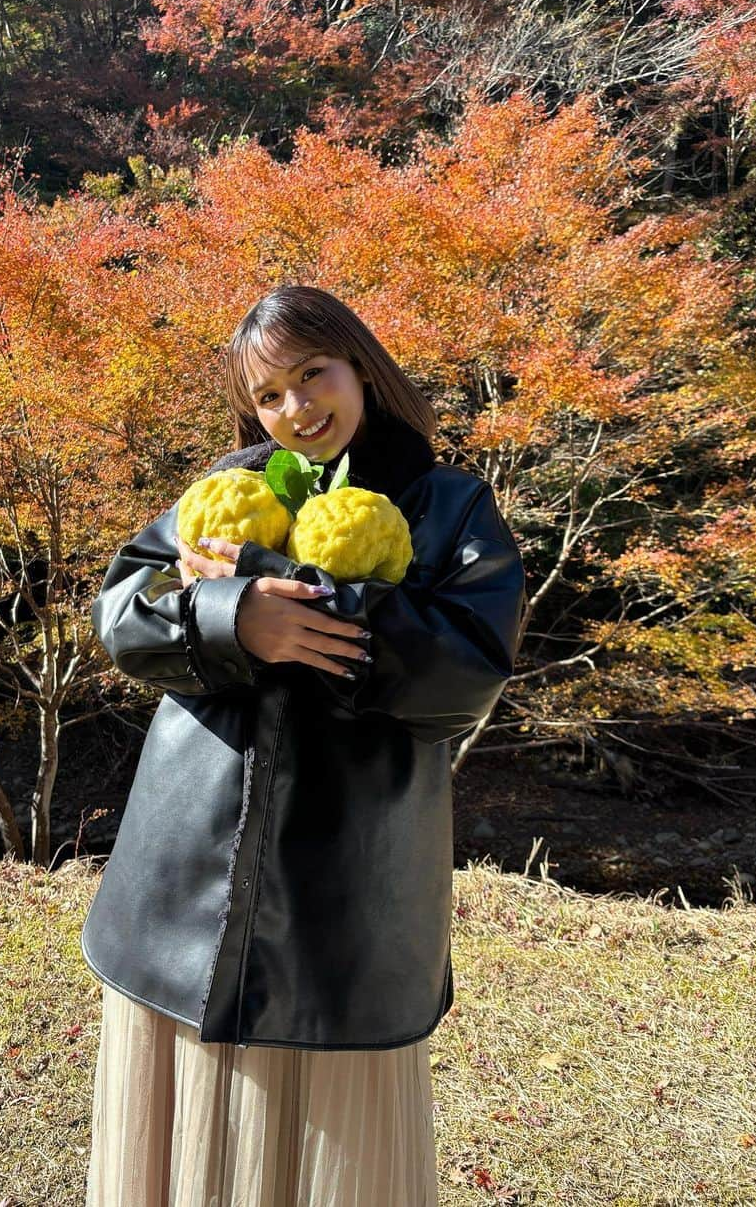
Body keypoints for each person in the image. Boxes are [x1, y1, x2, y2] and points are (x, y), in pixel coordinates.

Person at [83, 285, 527, 1206]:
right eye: (269, 394)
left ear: (359, 365)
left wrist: (305, 606)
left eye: (311, 375)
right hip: (184, 863)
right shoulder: (227, 489)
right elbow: (122, 613)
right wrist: (226, 616)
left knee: (335, 1138)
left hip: (350, 881)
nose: (294, 410)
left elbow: (470, 670)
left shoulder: (446, 503)